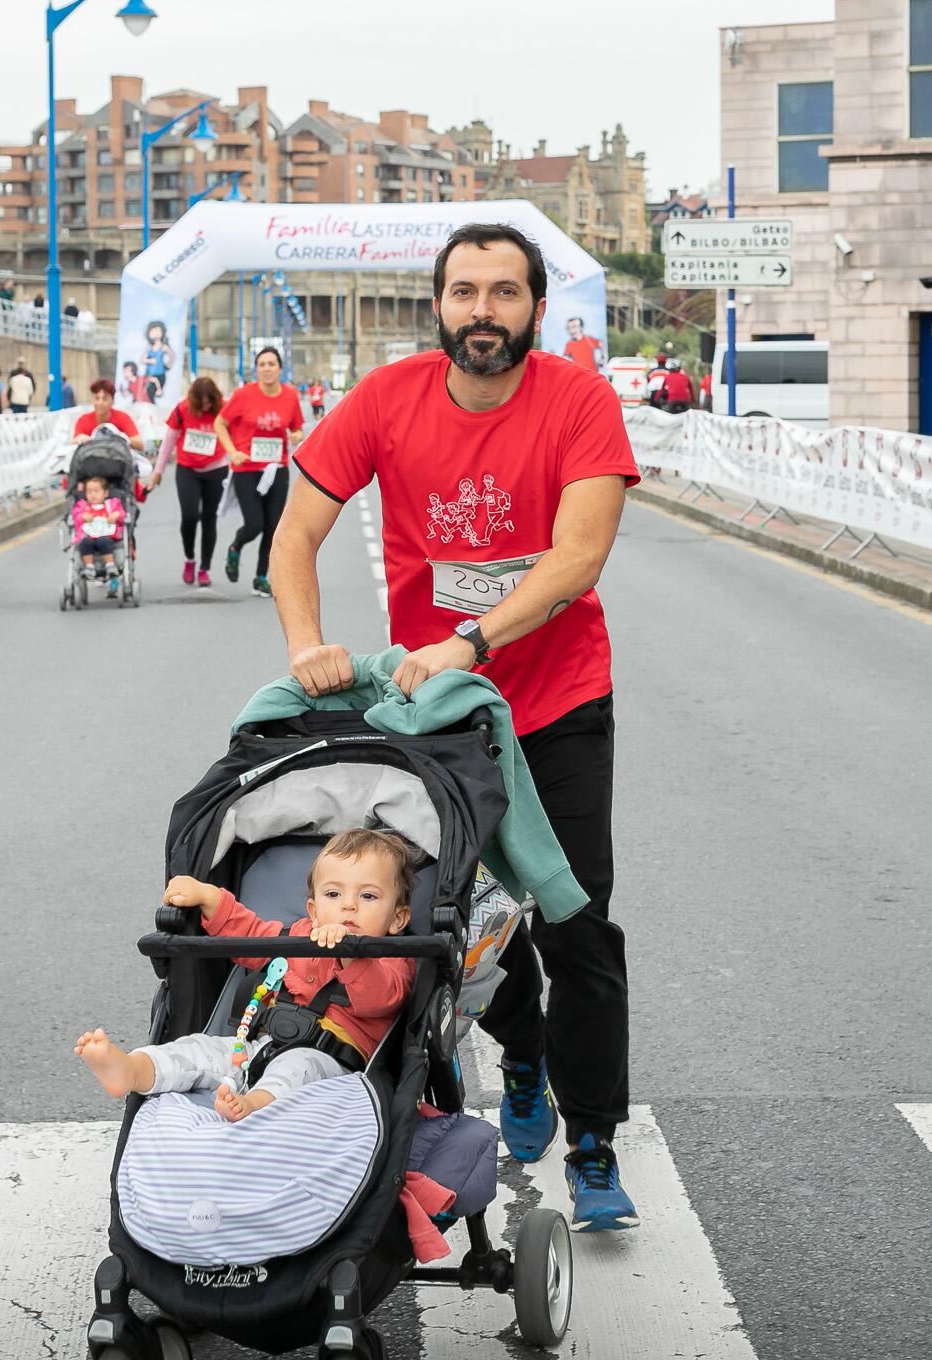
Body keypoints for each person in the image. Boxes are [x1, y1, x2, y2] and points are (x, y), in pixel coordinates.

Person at [270, 222, 641, 1232]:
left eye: (505, 292)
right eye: (466, 291)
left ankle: (597, 1139)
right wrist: (307, 643)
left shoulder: (577, 400)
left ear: (535, 308)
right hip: (436, 718)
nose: (484, 311)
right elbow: (294, 533)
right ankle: (520, 1051)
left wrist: (472, 640)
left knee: (577, 923)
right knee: (464, 929)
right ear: (438, 305)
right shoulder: (385, 401)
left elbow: (579, 556)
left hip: (557, 704)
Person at [74, 828, 415, 1122]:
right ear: (313, 910)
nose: (348, 906)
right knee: (200, 1050)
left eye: (368, 896)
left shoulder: (392, 959)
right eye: (333, 894)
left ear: (397, 919)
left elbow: (380, 999)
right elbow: (251, 935)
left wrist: (352, 956)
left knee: (296, 1067)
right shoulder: (299, 936)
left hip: (332, 1062)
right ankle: (133, 1069)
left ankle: (253, 1106)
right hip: (258, 1045)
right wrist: (210, 898)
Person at [215, 346, 306, 597]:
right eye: (262, 364)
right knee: (254, 524)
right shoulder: (243, 395)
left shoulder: (290, 396)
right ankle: (235, 547)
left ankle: (261, 577)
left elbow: (297, 428)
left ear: (280, 368)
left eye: (271, 364)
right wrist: (232, 451)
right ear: (257, 369)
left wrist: (297, 435)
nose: (267, 368)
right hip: (247, 468)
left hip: (276, 469)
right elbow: (220, 423)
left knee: (273, 527)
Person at [151, 376, 229, 587]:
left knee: (209, 519)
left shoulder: (224, 408)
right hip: (188, 470)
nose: (205, 406)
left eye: (209, 401)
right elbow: (169, 441)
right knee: (190, 515)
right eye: (201, 402)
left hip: (216, 469)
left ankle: (204, 568)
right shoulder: (182, 409)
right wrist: (158, 471)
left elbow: (238, 434)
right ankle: (189, 559)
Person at [71, 474, 126, 599]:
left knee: (104, 541)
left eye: (96, 491)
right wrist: (83, 517)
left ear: (105, 493)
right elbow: (76, 516)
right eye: (89, 491)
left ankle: (110, 565)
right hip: (89, 536)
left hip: (107, 536)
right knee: (85, 543)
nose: (93, 495)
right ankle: (89, 567)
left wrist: (116, 515)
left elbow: (122, 514)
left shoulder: (112, 504)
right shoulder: (82, 506)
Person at [72, 378, 144, 449]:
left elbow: (140, 444)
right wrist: (80, 438)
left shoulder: (122, 417)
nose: (100, 403)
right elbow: (73, 442)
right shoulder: (84, 420)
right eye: (97, 398)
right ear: (92, 400)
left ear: (112, 401)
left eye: (105, 398)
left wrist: (124, 438)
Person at [141, 319, 172, 395]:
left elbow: (172, 356)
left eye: (158, 331)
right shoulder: (149, 347)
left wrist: (168, 364)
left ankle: (159, 390)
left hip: (160, 373)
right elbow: (143, 359)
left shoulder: (164, 347)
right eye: (153, 331)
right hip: (149, 373)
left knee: (154, 391)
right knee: (148, 391)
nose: (155, 333)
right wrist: (150, 361)